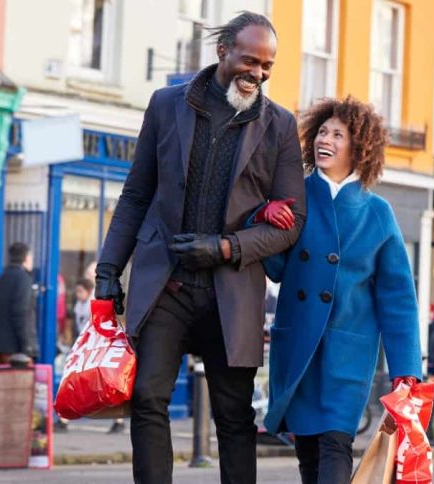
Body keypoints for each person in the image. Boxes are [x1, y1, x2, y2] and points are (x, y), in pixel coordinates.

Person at [94, 11, 306, 483]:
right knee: (148, 398)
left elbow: (292, 224)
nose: (259, 74)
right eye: (250, 61)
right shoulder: (165, 104)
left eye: (268, 66)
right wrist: (108, 269)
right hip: (164, 285)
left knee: (233, 419)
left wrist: (225, 248)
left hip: (230, 293)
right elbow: (135, 194)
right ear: (222, 52)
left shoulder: (280, 127)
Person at [256, 97, 421, 484]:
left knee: (335, 443)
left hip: (347, 352)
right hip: (298, 347)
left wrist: (406, 371)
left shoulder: (377, 212)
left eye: (337, 134)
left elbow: (398, 301)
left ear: (358, 147)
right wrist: (262, 220)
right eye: (322, 132)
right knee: (308, 451)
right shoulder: (295, 196)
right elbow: (277, 269)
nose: (324, 140)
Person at [0, 242, 38, 364]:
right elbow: (21, 314)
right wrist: (27, 347)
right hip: (15, 351)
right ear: (26, 258)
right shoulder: (23, 279)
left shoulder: (1, 279)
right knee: (20, 383)